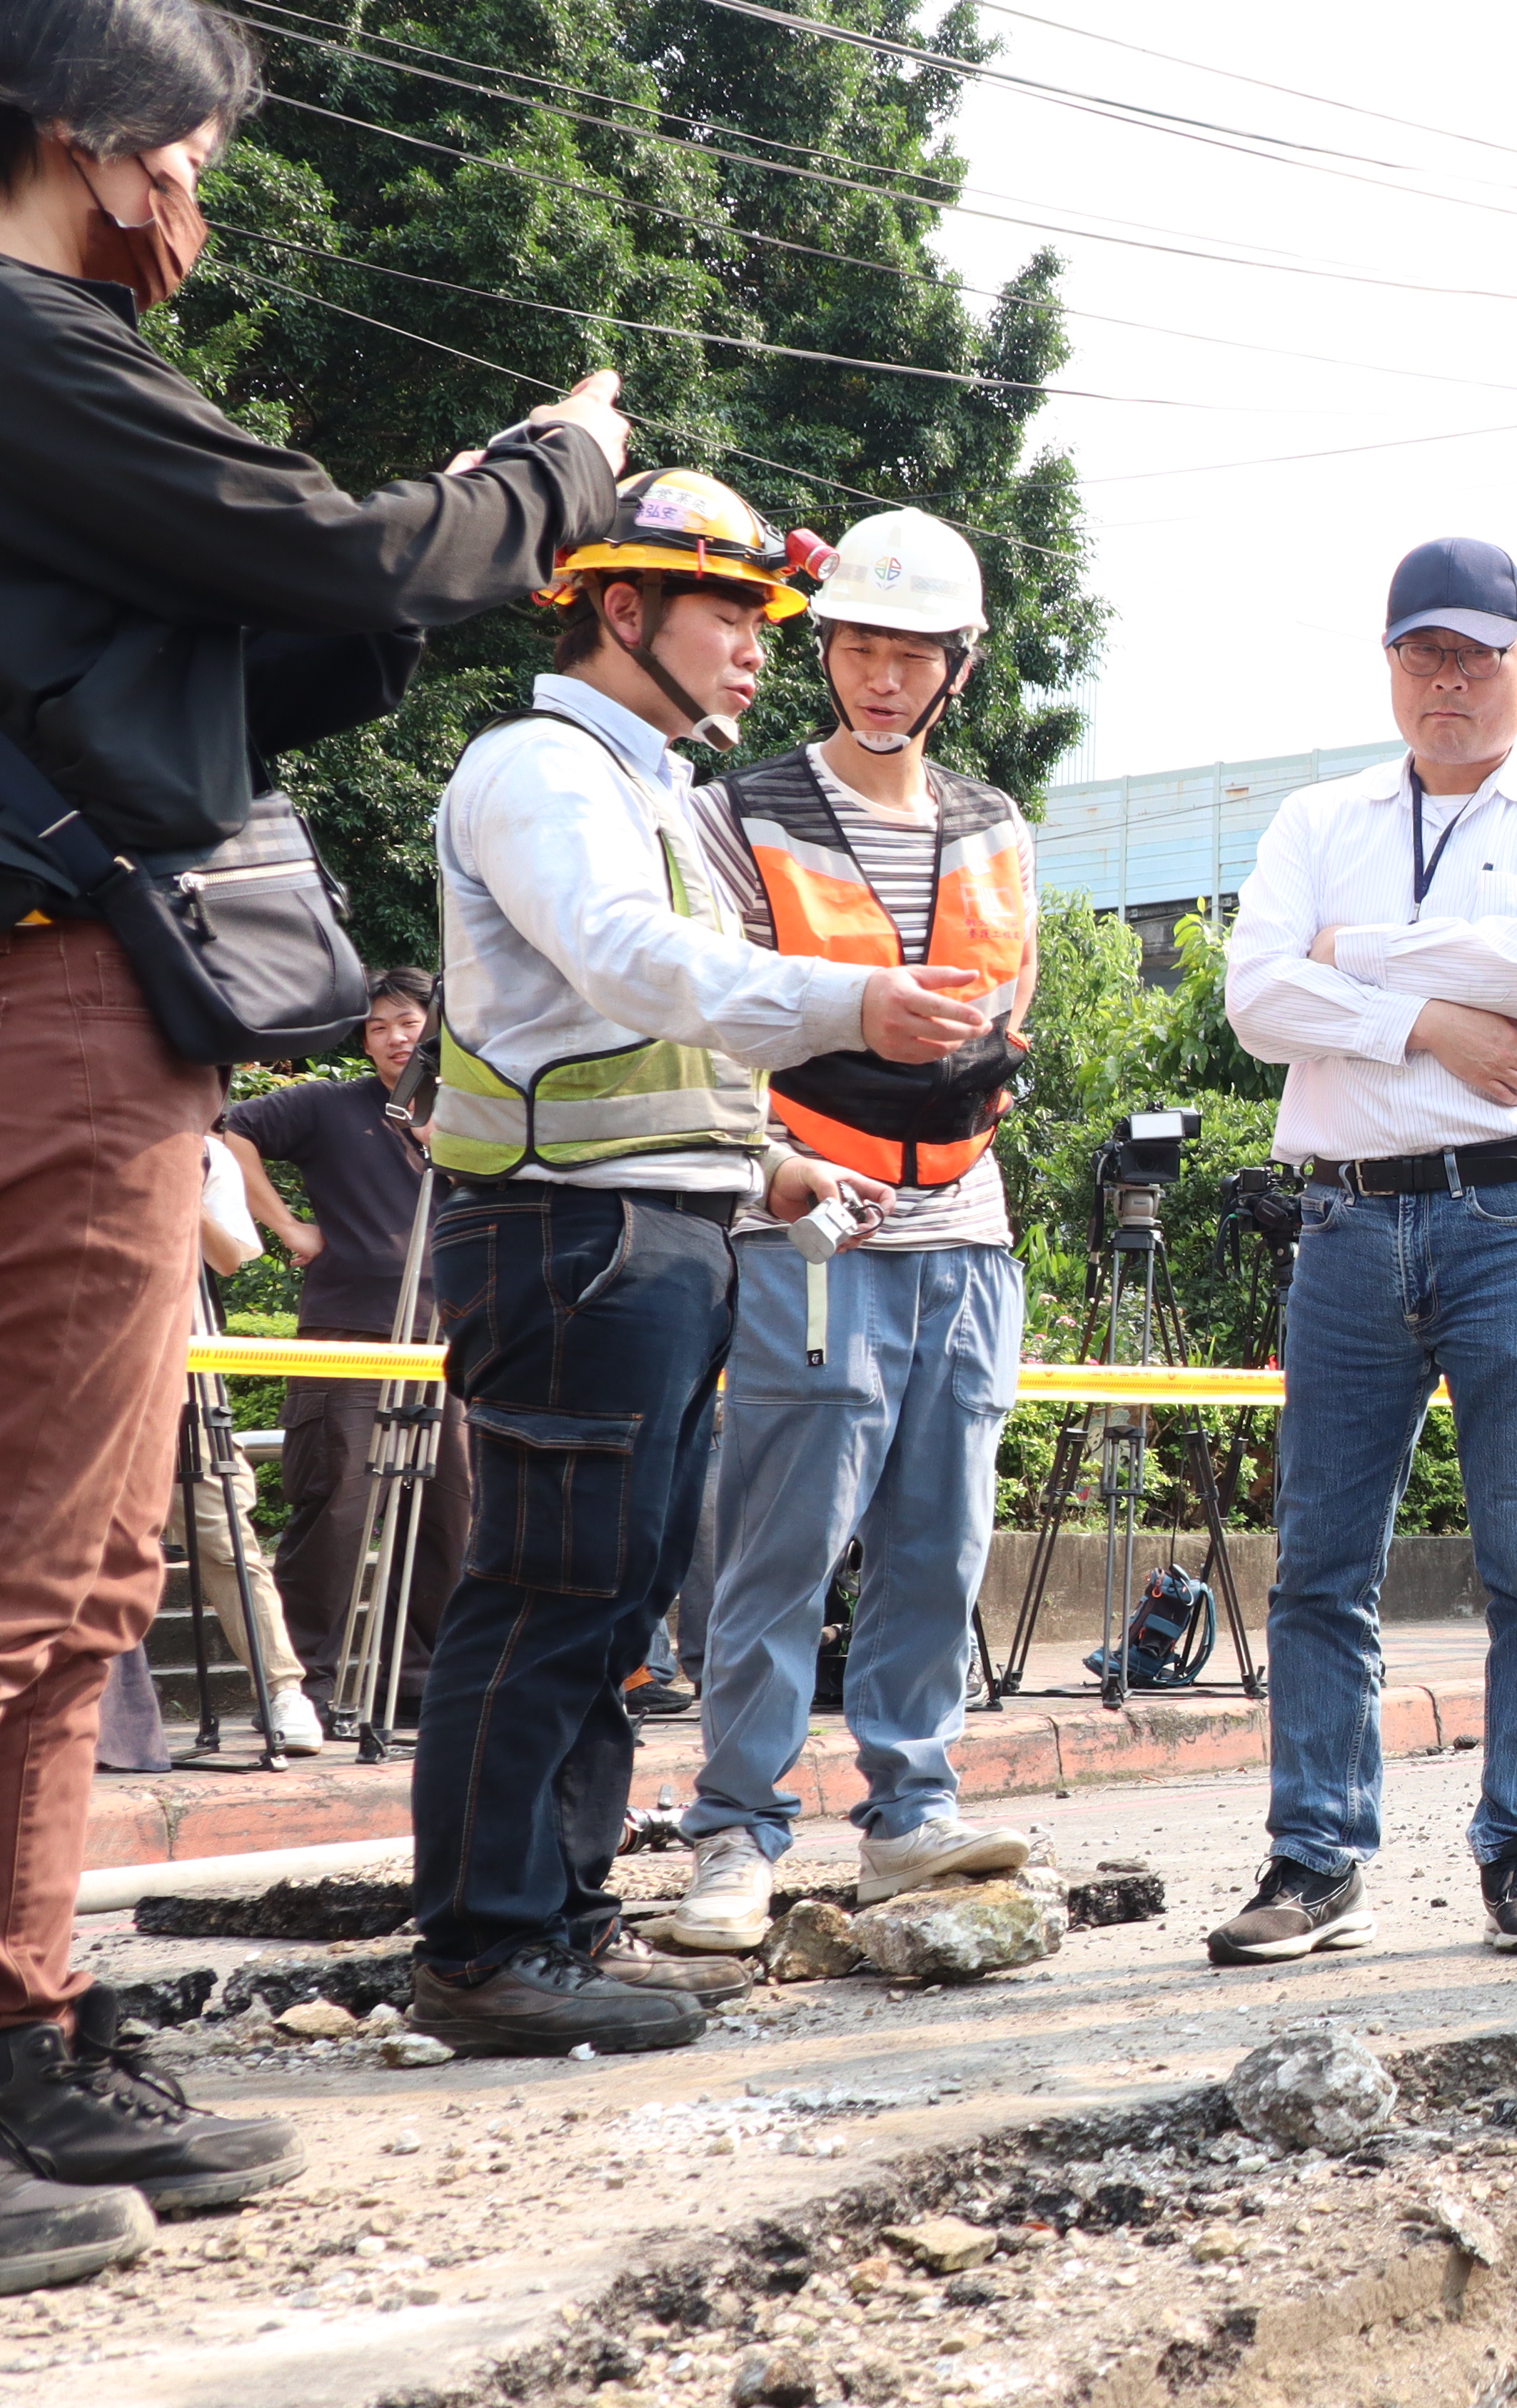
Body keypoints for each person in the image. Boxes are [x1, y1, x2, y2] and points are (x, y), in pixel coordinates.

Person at [0, 0, 626, 2286]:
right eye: (184, 153)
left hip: (95, 1001)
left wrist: (420, 565)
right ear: (82, 136)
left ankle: (33, 2021)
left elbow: (254, 654)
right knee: (28, 1582)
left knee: (80, 1585)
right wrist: (548, 476)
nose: (199, 202)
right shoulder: (26, 345)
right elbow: (331, 555)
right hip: (43, 994)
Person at [405, 468, 978, 2057]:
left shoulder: (643, 780)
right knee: (547, 1585)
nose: (755, 645)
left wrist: (766, 1166)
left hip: (654, 1227)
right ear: (623, 608)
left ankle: (554, 1918)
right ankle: (486, 1942)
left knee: (616, 1591)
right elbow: (631, 961)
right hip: (571, 1235)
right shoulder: (546, 770)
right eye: (732, 608)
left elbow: (642, 1040)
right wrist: (849, 1003)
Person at [1219, 537, 1517, 1963]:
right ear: (1389, 663)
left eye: (1475, 653)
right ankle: (1315, 1858)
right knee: (1321, 1555)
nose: (1447, 679)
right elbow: (1256, 996)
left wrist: (1360, 952)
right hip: (1345, 1214)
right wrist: (1430, 1017)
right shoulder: (1317, 814)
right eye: (1421, 654)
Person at [645, 508, 1042, 1953]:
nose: (880, 676)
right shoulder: (737, 811)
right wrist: (770, 1172)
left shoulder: (998, 825)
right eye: (858, 647)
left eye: (909, 652)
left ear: (958, 664)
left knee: (940, 1539)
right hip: (814, 1223)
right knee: (781, 1545)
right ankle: (735, 1834)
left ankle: (909, 1812)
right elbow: (711, 1021)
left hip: (968, 1230)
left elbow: (1011, 1012)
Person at [219, 973, 465, 1733]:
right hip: (349, 1340)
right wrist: (289, 1230)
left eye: (408, 1024)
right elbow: (226, 1131)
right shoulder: (327, 1106)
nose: (395, 1039)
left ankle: (422, 1681)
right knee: (337, 1509)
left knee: (452, 1514)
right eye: (378, 1028)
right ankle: (307, 1687)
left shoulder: (473, 1117)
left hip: (449, 1345)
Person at [176, 1136, 312, 1747]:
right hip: (70, 1368)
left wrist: (180, 1193)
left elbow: (231, 1257)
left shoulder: (206, 1153)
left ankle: (284, 1692)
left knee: (226, 1537)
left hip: (186, 1372)